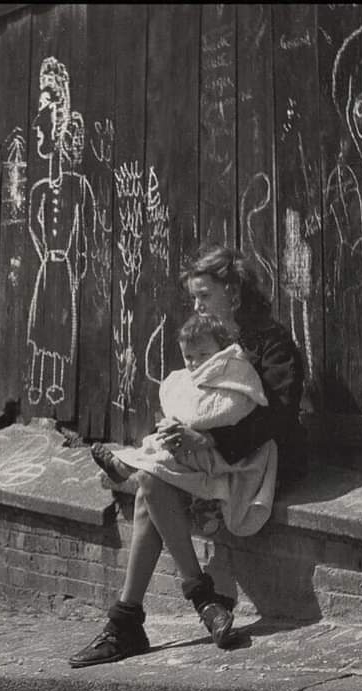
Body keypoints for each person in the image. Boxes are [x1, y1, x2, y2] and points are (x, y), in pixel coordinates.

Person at [69, 244, 306, 668]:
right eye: (194, 297)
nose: (195, 305)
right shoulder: (204, 340)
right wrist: (179, 430)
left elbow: (279, 417)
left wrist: (208, 442)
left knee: (148, 486)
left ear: (233, 292)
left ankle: (138, 619)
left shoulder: (272, 344)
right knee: (152, 482)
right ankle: (191, 604)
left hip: (254, 464)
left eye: (204, 295)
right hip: (205, 461)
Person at [91, 312, 278, 538]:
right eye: (189, 357)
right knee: (161, 444)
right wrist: (174, 426)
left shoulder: (235, 373)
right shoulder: (188, 377)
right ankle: (196, 501)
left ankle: (124, 467)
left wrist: (185, 424)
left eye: (203, 354)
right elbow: (181, 402)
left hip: (229, 454)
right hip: (196, 448)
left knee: (165, 456)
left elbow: (226, 409)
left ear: (223, 349)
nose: (196, 362)